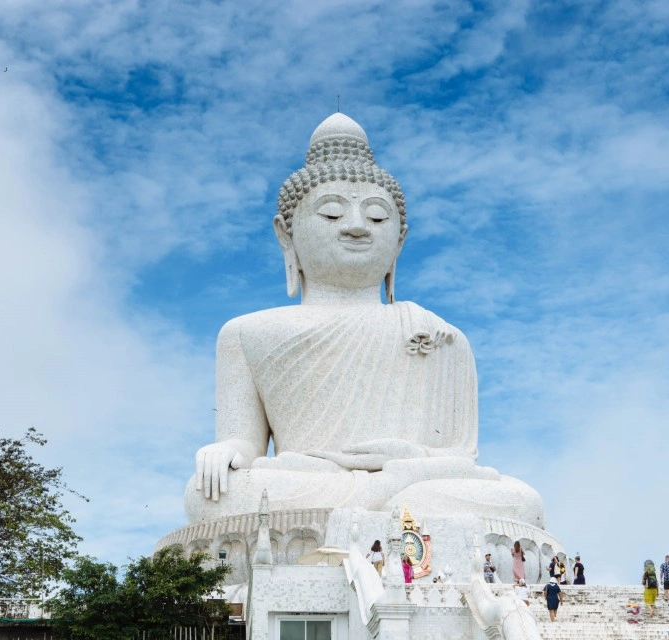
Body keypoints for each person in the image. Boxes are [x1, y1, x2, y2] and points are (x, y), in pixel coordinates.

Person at [186, 112, 546, 528]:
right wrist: (227, 451)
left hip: (415, 481)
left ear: (400, 239)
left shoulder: (441, 335)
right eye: (332, 214)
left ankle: (376, 506)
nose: (357, 227)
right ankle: (384, 507)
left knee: (521, 500)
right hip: (310, 478)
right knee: (208, 492)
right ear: (286, 233)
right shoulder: (247, 333)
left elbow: (459, 458)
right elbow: (244, 442)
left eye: (376, 217)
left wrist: (412, 460)